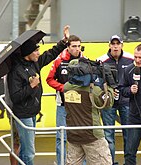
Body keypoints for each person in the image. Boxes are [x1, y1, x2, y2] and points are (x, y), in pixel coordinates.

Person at [7, 25, 70, 165]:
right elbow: (15, 97)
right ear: (28, 53)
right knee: (29, 153)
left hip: (32, 112)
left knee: (26, 149)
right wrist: (31, 86)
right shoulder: (15, 71)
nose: (38, 53)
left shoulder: (34, 63)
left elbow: (51, 54)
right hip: (23, 115)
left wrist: (64, 42)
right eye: (36, 50)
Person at [64, 59, 114, 165]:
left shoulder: (66, 87)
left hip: (73, 135)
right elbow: (108, 103)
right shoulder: (93, 91)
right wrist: (108, 85)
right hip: (92, 136)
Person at [46, 35, 84, 165]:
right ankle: (61, 162)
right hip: (63, 105)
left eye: (79, 46)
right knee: (61, 137)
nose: (77, 49)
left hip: (80, 107)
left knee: (82, 136)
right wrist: (63, 88)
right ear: (68, 47)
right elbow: (49, 79)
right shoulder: (59, 61)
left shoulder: (85, 61)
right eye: (74, 46)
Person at [96, 34, 134, 164]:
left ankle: (128, 163)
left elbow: (136, 79)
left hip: (126, 101)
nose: (115, 46)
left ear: (122, 45)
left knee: (129, 134)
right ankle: (110, 162)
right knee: (108, 135)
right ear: (109, 45)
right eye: (113, 44)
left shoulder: (131, 59)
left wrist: (127, 91)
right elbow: (96, 82)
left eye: (118, 44)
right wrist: (107, 91)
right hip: (108, 103)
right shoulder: (101, 60)